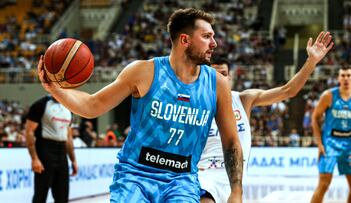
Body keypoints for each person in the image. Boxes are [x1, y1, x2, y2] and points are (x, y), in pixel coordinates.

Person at [37, 8, 243, 203]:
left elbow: (232, 142)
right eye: (207, 36)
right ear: (185, 40)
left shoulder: (217, 83)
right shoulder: (144, 72)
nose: (214, 43)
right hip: (135, 176)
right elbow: (92, 106)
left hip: (182, 180)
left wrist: (236, 191)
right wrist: (56, 89)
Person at [198, 31, 334, 203]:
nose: (219, 80)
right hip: (204, 175)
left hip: (234, 179)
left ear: (230, 78)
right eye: (213, 75)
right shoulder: (196, 103)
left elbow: (288, 90)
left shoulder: (243, 99)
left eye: (223, 74)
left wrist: (311, 61)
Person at [310, 66, 351, 203]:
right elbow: (314, 118)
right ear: (338, 78)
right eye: (342, 75)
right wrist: (319, 144)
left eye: (348, 75)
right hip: (330, 143)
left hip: (350, 143)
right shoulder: (329, 96)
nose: (346, 79)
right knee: (324, 184)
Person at [25, 95, 78, 203]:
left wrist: (73, 160)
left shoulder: (68, 107)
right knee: (40, 195)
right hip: (45, 149)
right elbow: (29, 131)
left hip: (62, 152)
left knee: (62, 196)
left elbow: (68, 137)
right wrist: (34, 158)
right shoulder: (41, 104)